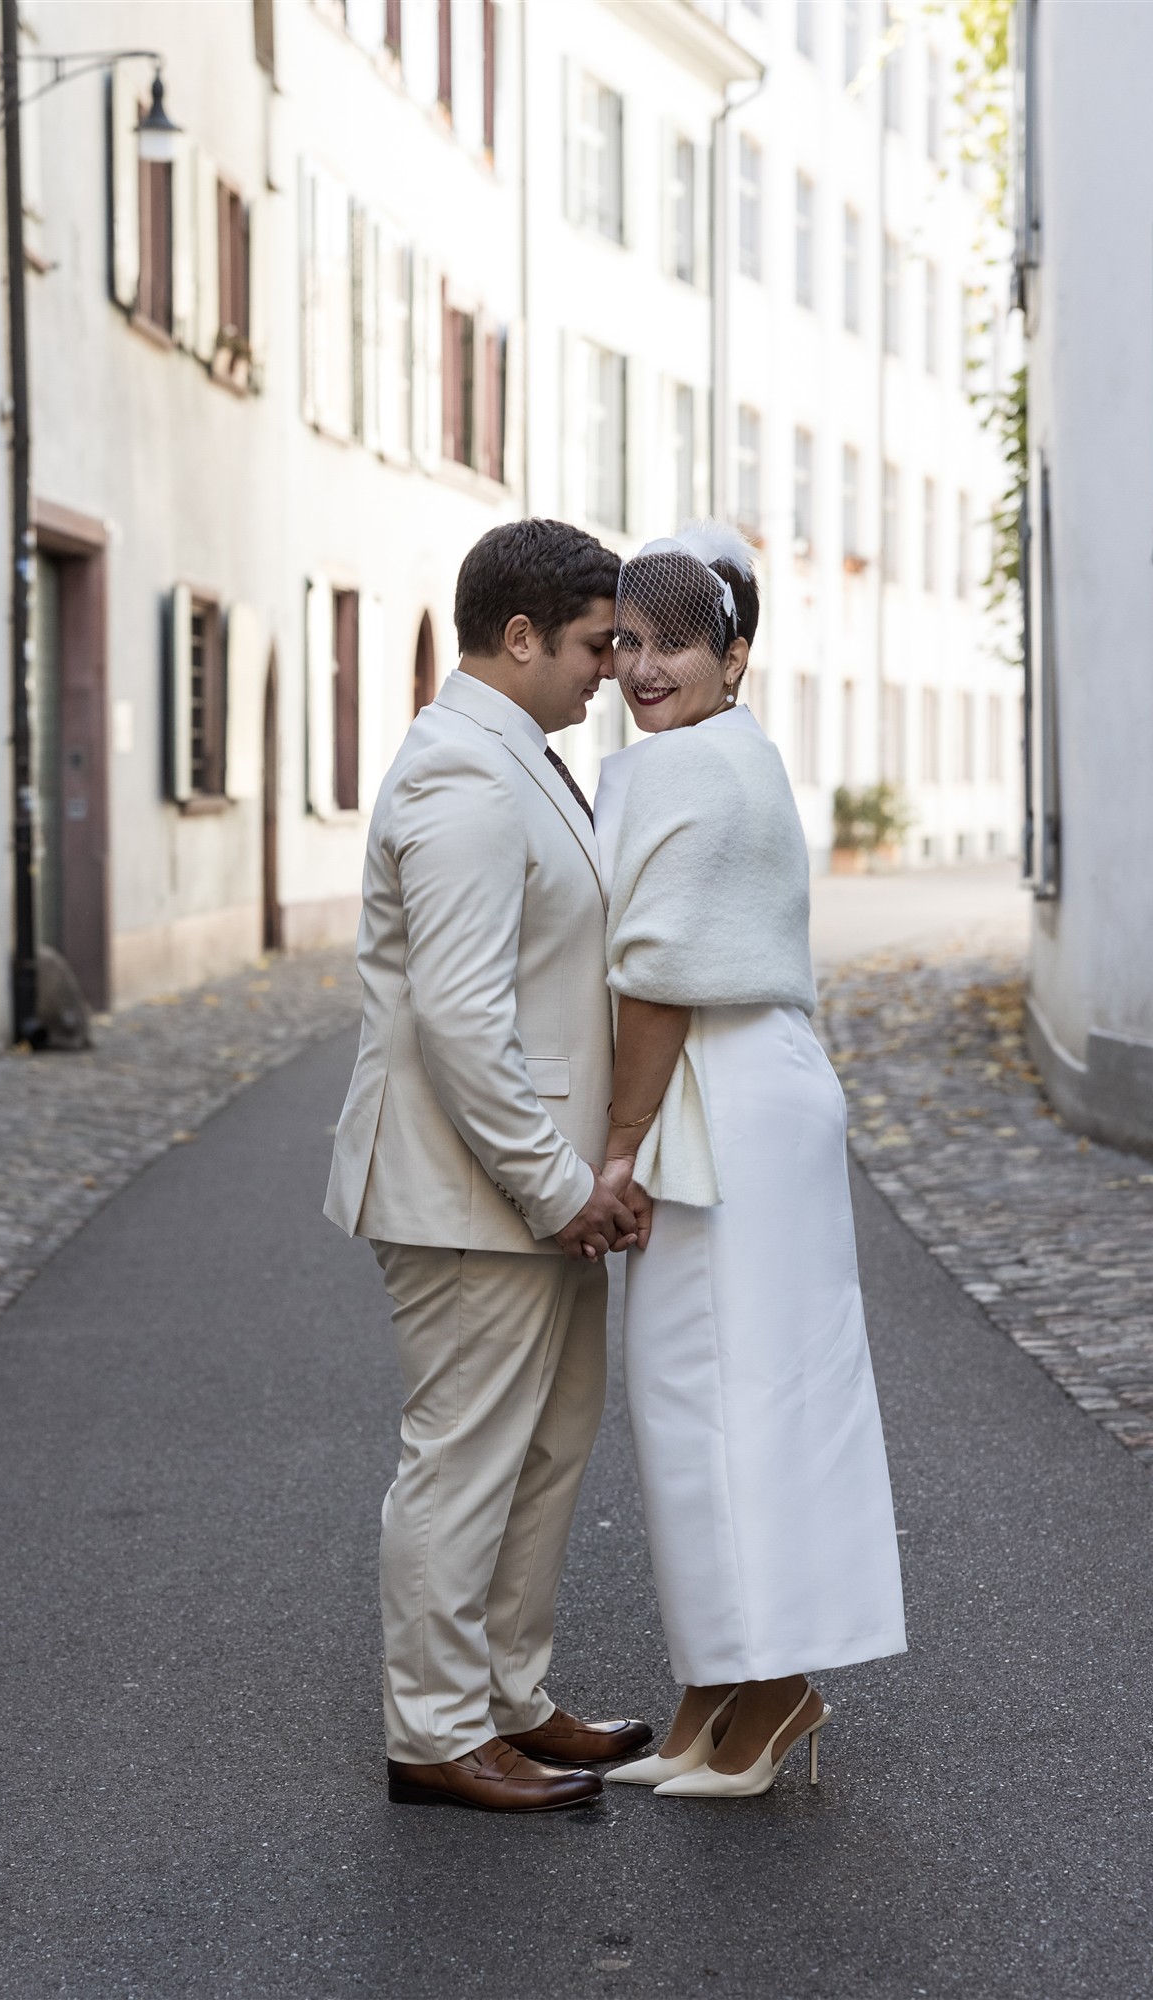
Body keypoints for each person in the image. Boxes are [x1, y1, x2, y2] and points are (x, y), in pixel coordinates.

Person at [325, 519, 654, 1814]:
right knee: (464, 1460)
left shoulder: (515, 754)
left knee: (548, 1449)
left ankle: (511, 1699)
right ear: (516, 637)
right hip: (472, 1194)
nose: (612, 669)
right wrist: (559, 1184)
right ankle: (435, 1732)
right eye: (592, 643)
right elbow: (460, 1020)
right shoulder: (461, 774)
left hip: (524, 1189)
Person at [595, 521, 907, 1800]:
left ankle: (774, 1691)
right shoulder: (718, 753)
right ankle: (713, 1689)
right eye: (624, 639)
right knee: (711, 1398)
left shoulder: (687, 770)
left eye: (673, 641)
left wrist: (616, 1146)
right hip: (744, 1091)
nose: (641, 665)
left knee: (731, 1401)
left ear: (734, 654)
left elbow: (660, 979)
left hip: (715, 1090)